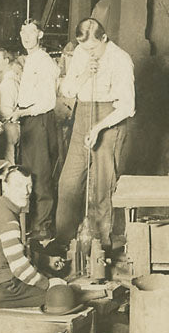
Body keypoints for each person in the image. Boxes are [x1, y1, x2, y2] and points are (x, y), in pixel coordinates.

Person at [56, 18, 135, 250]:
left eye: (92, 47)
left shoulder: (121, 59)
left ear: (104, 38)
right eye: (83, 46)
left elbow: (128, 107)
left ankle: (102, 244)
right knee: (68, 182)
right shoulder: (81, 53)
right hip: (82, 115)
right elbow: (67, 90)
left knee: (103, 185)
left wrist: (99, 128)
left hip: (109, 120)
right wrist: (85, 75)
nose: (88, 51)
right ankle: (63, 240)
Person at [0, 166, 66, 308]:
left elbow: (15, 253)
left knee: (49, 284)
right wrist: (48, 284)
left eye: (29, 186)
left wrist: (46, 260)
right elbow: (19, 267)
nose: (25, 192)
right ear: (5, 187)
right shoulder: (7, 219)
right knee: (60, 295)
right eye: (19, 185)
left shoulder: (0, 210)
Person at [12, 19, 60, 240]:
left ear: (40, 34)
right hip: (29, 120)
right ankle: (34, 224)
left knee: (40, 174)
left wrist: (23, 112)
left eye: (31, 32)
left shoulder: (44, 62)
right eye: (23, 32)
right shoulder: (30, 59)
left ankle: (43, 228)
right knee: (29, 172)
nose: (26, 36)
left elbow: (48, 102)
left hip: (40, 120)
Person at [0, 48, 22, 164]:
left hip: (7, 129)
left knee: (7, 164)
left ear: (6, 61)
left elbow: (6, 112)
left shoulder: (8, 82)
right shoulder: (10, 79)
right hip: (10, 128)